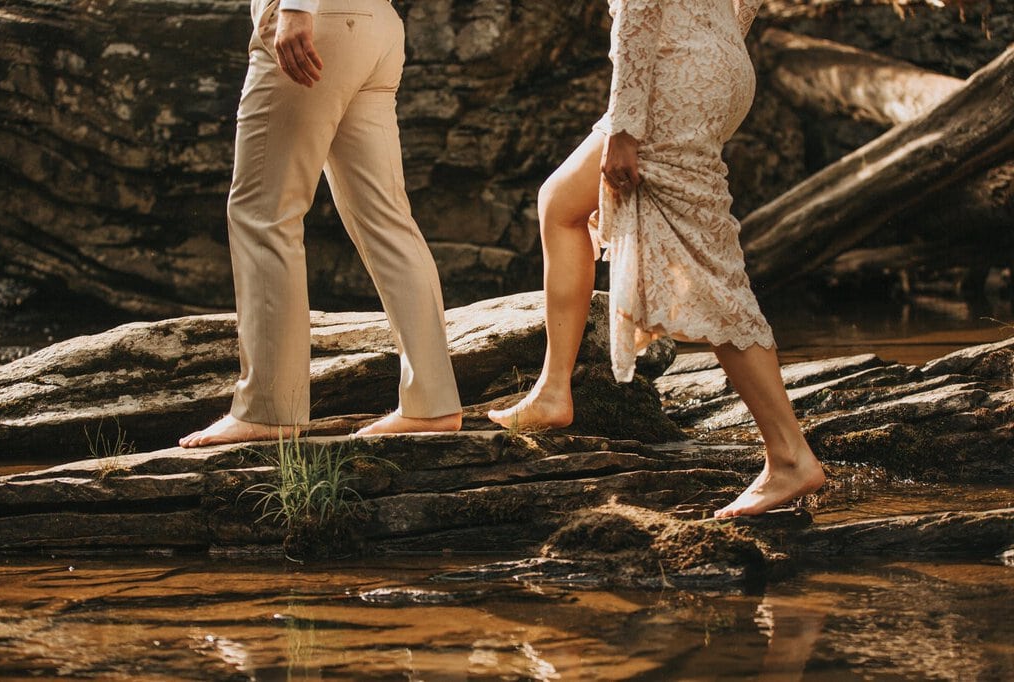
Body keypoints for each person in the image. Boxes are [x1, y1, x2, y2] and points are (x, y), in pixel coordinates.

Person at [488, 0, 825, 518]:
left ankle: (789, 457)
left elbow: (639, 7)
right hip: (714, 64)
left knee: (710, 270)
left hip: (675, 71)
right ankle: (553, 390)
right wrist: (717, 37)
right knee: (559, 202)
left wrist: (624, 129)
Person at [180, 0, 462, 448]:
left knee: (264, 215)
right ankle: (432, 403)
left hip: (315, 20)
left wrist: (294, 8)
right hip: (378, 27)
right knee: (386, 220)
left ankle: (269, 409)